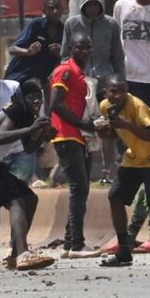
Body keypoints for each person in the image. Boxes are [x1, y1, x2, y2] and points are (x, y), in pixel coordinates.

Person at [0, 79, 57, 271]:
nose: (37, 102)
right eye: (32, 98)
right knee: (17, 201)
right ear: (23, 98)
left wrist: (42, 134)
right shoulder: (15, 110)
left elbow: (29, 148)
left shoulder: (27, 116)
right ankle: (23, 253)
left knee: (30, 199)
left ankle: (15, 254)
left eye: (39, 98)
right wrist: (32, 129)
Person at [113, 0, 150, 244]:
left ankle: (146, 230)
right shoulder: (121, 6)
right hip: (128, 81)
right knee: (128, 144)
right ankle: (128, 234)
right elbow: (114, 41)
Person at [96, 75, 150, 267]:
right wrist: (105, 131)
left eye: (122, 90)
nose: (118, 95)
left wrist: (126, 124)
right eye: (113, 91)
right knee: (115, 197)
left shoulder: (136, 106)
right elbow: (114, 134)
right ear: (105, 92)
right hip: (133, 158)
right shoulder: (105, 106)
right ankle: (124, 249)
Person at [50, 33, 100, 258]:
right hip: (66, 135)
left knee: (82, 189)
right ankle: (77, 245)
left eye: (88, 47)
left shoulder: (81, 74)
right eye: (81, 47)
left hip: (79, 137)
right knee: (78, 188)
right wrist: (81, 123)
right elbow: (55, 104)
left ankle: (70, 243)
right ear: (71, 48)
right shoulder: (66, 70)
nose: (85, 51)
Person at [5, 0, 65, 85]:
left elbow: (66, 59)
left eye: (58, 8)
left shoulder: (63, 31)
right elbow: (12, 49)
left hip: (42, 81)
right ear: (44, 11)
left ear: (62, 10)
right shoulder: (36, 25)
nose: (55, 11)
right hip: (19, 76)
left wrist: (60, 53)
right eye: (51, 8)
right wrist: (28, 52)